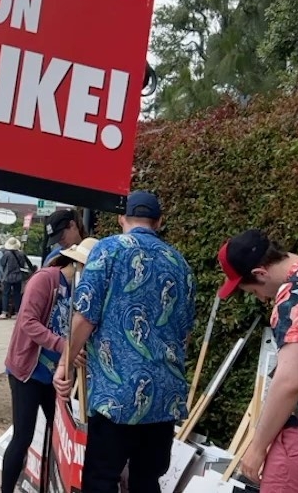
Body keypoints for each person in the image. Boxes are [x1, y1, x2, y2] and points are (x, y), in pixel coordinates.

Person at [53, 191, 196, 493]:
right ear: (159, 221)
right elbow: (184, 335)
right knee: (147, 480)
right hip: (163, 397)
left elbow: (85, 316)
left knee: (101, 478)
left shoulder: (107, 250)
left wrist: (64, 364)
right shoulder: (180, 264)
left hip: (116, 395)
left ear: (121, 218)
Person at [1, 237, 98, 493]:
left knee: (60, 433)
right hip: (28, 370)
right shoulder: (45, 279)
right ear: (78, 264)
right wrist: (65, 346)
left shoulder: (81, 293)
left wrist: (73, 350)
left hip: (55, 375)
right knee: (23, 436)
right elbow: (28, 322)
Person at [217, 229, 298, 491]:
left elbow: (290, 382)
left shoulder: (292, 300)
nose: (262, 298)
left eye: (253, 291)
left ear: (260, 273)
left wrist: (257, 447)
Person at [0, 236, 34, 320]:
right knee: (17, 295)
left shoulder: (7, 254)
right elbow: (28, 263)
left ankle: (4, 312)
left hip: (8, 276)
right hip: (18, 276)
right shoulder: (21, 253)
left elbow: (2, 263)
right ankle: (17, 313)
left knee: (5, 294)